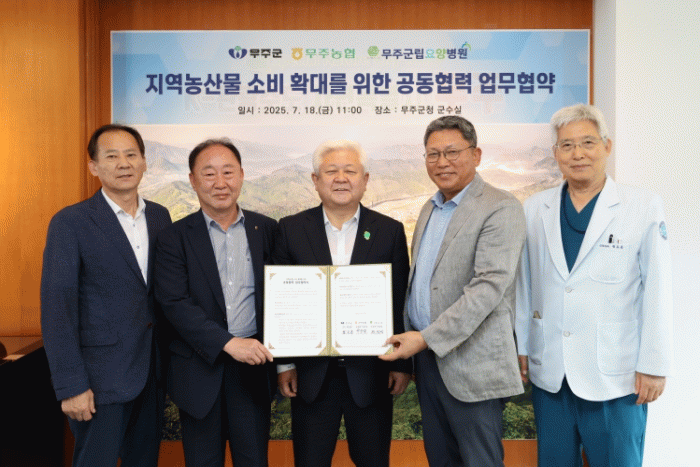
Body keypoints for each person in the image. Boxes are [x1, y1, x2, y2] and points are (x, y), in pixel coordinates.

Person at [514, 104, 673, 467]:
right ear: (556, 153)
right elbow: (525, 285)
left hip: (616, 375)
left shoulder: (642, 206)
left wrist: (654, 364)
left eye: (588, 142)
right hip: (552, 372)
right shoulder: (536, 208)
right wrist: (522, 345)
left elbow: (658, 290)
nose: (578, 154)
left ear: (607, 146)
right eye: (567, 145)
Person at [380, 116, 526, 467]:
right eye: (433, 154)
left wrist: (425, 338)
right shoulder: (430, 208)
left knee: (479, 461)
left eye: (452, 152)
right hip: (428, 363)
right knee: (441, 460)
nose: (441, 162)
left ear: (476, 155)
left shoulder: (500, 207)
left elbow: (488, 288)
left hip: (472, 364)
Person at [41, 124, 172, 466]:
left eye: (131, 155)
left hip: (151, 374)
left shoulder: (160, 216)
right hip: (98, 379)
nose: (123, 163)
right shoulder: (71, 222)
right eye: (111, 156)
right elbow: (57, 310)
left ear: (144, 162)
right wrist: (71, 385)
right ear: (94, 166)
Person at [274, 140, 411, 467]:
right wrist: (284, 364)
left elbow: (400, 300)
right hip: (310, 376)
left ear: (365, 179)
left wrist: (402, 364)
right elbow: (280, 304)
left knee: (373, 460)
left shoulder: (389, 231)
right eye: (331, 171)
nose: (340, 178)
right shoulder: (290, 229)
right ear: (315, 180)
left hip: (372, 373)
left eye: (350, 171)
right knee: (310, 461)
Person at [154, 138, 277, 467]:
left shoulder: (266, 229)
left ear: (242, 175)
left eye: (228, 172)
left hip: (253, 368)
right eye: (209, 174)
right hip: (198, 369)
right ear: (193, 180)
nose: (220, 183)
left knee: (253, 460)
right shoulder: (173, 237)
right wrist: (228, 343)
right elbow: (174, 303)